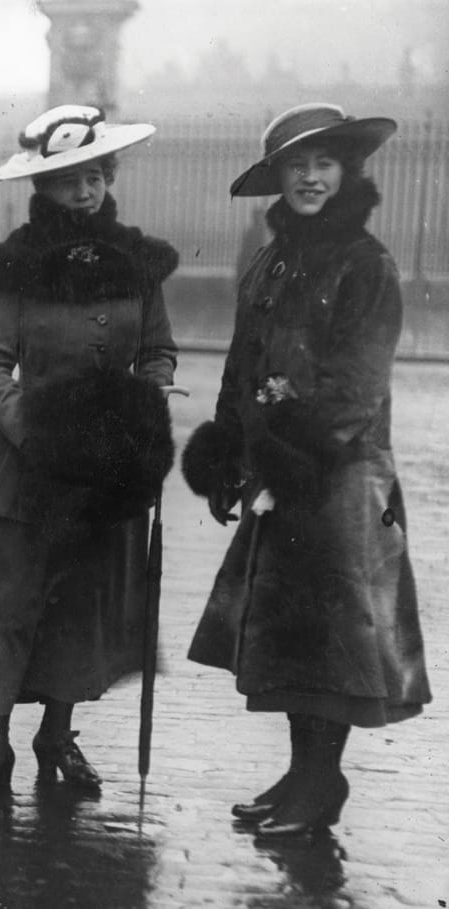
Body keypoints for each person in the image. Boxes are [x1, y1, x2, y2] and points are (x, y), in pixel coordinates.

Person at [182, 103, 431, 837]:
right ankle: (301, 774)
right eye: (298, 166)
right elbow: (242, 362)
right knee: (289, 635)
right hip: (278, 476)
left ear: (347, 171)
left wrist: (294, 451)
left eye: (324, 164)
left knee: (333, 640)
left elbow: (359, 385)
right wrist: (230, 450)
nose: (311, 178)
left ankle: (322, 785)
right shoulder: (271, 259)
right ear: (279, 178)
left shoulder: (366, 263)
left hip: (342, 479)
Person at [0, 105, 180, 803]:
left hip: (106, 467)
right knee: (6, 605)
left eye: (94, 177)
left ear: (109, 177)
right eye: (66, 180)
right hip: (24, 467)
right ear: (41, 189)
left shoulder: (140, 263)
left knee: (79, 604)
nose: (84, 193)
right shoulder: (14, 268)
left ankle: (57, 732)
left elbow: (160, 351)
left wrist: (143, 407)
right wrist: (40, 437)